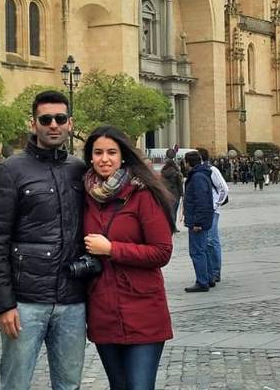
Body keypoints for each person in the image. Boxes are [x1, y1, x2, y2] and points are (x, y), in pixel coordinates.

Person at [0, 90, 86, 390]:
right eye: (46, 119)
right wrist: (3, 305)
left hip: (72, 302)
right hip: (25, 304)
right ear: (33, 123)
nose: (53, 124)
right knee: (16, 384)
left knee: (69, 385)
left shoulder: (79, 170)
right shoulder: (9, 171)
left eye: (60, 118)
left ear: (69, 124)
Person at [82, 126, 173, 390]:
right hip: (103, 311)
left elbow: (161, 251)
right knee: (118, 386)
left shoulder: (143, 194)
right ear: (90, 157)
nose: (104, 159)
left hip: (142, 310)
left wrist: (112, 249)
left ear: (123, 157)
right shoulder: (86, 195)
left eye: (112, 152)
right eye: (98, 152)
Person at [182, 150, 214, 292]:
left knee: (197, 251)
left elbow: (201, 201)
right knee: (203, 249)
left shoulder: (197, 177)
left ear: (188, 162)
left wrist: (198, 223)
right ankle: (209, 277)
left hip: (198, 220)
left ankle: (202, 281)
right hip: (201, 218)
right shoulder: (202, 175)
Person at [198, 148, 229, 287]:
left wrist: (216, 204)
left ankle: (215, 271)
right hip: (202, 210)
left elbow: (224, 188)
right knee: (203, 241)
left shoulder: (212, 170)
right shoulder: (197, 171)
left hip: (212, 210)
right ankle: (208, 271)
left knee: (211, 240)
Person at [159, 149, 184, 232]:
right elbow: (179, 183)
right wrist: (182, 193)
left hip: (166, 192)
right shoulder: (176, 172)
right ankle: (173, 226)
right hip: (175, 193)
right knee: (174, 210)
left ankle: (167, 225)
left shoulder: (163, 172)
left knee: (167, 210)